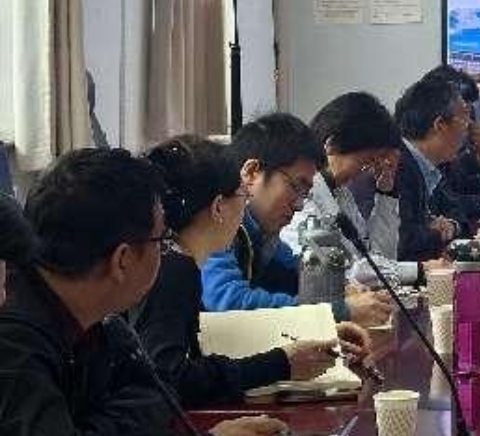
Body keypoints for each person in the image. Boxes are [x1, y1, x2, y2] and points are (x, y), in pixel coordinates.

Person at [0, 149, 289, 436]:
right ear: (122, 259)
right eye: (163, 241)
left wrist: (94, 433)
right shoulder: (14, 337)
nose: (167, 253)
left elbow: (158, 396)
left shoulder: (105, 324)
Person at [134, 136, 368, 407]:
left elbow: (212, 338)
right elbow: (171, 378)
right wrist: (280, 364)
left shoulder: (176, 260)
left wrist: (314, 329)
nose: (245, 206)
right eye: (243, 195)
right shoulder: (173, 269)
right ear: (218, 207)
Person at [199, 114, 393, 325]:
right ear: (252, 172)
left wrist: (343, 289)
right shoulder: (213, 220)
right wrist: (339, 311)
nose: (299, 205)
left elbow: (296, 274)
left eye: (305, 193)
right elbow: (228, 304)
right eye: (295, 186)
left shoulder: (261, 234)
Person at [287, 91, 445, 288]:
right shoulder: (305, 199)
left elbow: (377, 257)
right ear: (332, 145)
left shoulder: (340, 193)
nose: (369, 170)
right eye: (366, 161)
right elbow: (345, 273)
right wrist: (419, 270)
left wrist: (386, 192)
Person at [393, 77, 473, 262]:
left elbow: (458, 212)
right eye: (464, 118)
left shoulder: (427, 164)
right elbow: (405, 246)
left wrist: (450, 226)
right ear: (440, 125)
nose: (468, 127)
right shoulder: (399, 165)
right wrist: (434, 232)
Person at [421, 65, 480, 225]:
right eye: (464, 113)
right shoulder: (424, 150)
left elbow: (468, 188)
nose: (469, 123)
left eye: (470, 112)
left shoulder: (456, 151)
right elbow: (449, 204)